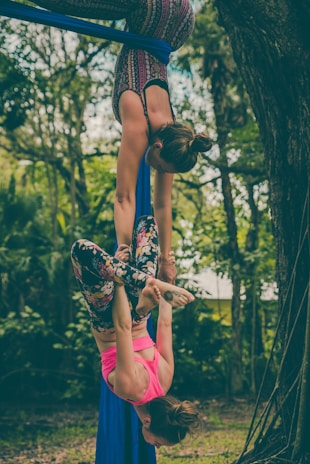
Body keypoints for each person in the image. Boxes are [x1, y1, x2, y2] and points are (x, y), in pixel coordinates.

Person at [30, 0, 213, 283]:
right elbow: (124, 196)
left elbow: (163, 203)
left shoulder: (177, 136)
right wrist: (123, 249)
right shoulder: (138, 124)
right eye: (162, 169)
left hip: (182, 23)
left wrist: (168, 259)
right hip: (152, 12)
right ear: (158, 147)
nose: (159, 173)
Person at [71, 215, 200, 446]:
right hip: (108, 319)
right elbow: (121, 328)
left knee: (147, 224)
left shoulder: (165, 381)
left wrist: (165, 278)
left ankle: (144, 292)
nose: (155, 446)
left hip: (141, 315)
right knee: (80, 250)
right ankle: (139, 288)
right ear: (148, 422)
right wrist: (116, 279)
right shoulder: (129, 389)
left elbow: (165, 324)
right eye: (157, 444)